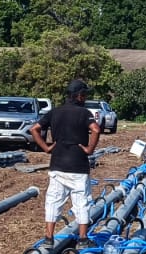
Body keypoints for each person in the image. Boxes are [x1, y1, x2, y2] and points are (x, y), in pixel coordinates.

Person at [29, 78, 102, 243]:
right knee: (81, 201)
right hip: (78, 165)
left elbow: (34, 129)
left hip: (58, 164)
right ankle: (83, 239)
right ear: (80, 96)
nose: (86, 98)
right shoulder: (84, 113)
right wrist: (89, 149)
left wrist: (46, 148)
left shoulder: (55, 112)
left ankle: (49, 237)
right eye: (85, 95)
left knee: (54, 200)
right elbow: (96, 129)